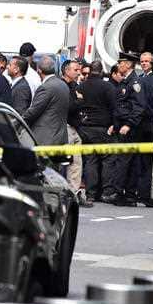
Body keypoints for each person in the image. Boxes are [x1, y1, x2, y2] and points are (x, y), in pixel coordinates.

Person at [103, 56, 146, 206]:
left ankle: (119, 192)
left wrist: (128, 124)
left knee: (123, 161)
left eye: (120, 63)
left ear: (127, 64)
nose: (118, 65)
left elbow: (139, 107)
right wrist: (115, 125)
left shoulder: (134, 83)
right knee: (128, 162)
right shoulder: (127, 81)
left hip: (128, 129)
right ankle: (128, 195)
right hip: (121, 127)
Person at [78, 61, 118, 203]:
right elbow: (115, 108)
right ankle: (106, 192)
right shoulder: (108, 87)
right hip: (103, 129)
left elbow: (77, 106)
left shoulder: (81, 86)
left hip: (86, 128)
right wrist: (114, 124)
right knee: (107, 159)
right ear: (101, 71)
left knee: (90, 160)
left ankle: (91, 193)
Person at [60, 59, 91, 207]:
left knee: (76, 163)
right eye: (75, 70)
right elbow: (69, 107)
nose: (78, 73)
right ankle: (64, 193)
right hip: (65, 127)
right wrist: (79, 101)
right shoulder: (62, 86)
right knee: (65, 162)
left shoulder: (74, 85)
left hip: (74, 127)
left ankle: (73, 192)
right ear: (66, 71)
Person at [22, 56, 69, 146]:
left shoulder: (46, 87)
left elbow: (33, 112)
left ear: (39, 70)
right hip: (61, 137)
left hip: (45, 139)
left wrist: (17, 121)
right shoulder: (63, 85)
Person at [135, 52, 153, 207]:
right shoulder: (150, 80)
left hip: (146, 123)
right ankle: (144, 194)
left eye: (146, 61)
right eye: (142, 61)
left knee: (145, 161)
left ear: (152, 63)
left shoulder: (146, 80)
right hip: (147, 124)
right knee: (146, 161)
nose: (143, 63)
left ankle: (142, 193)